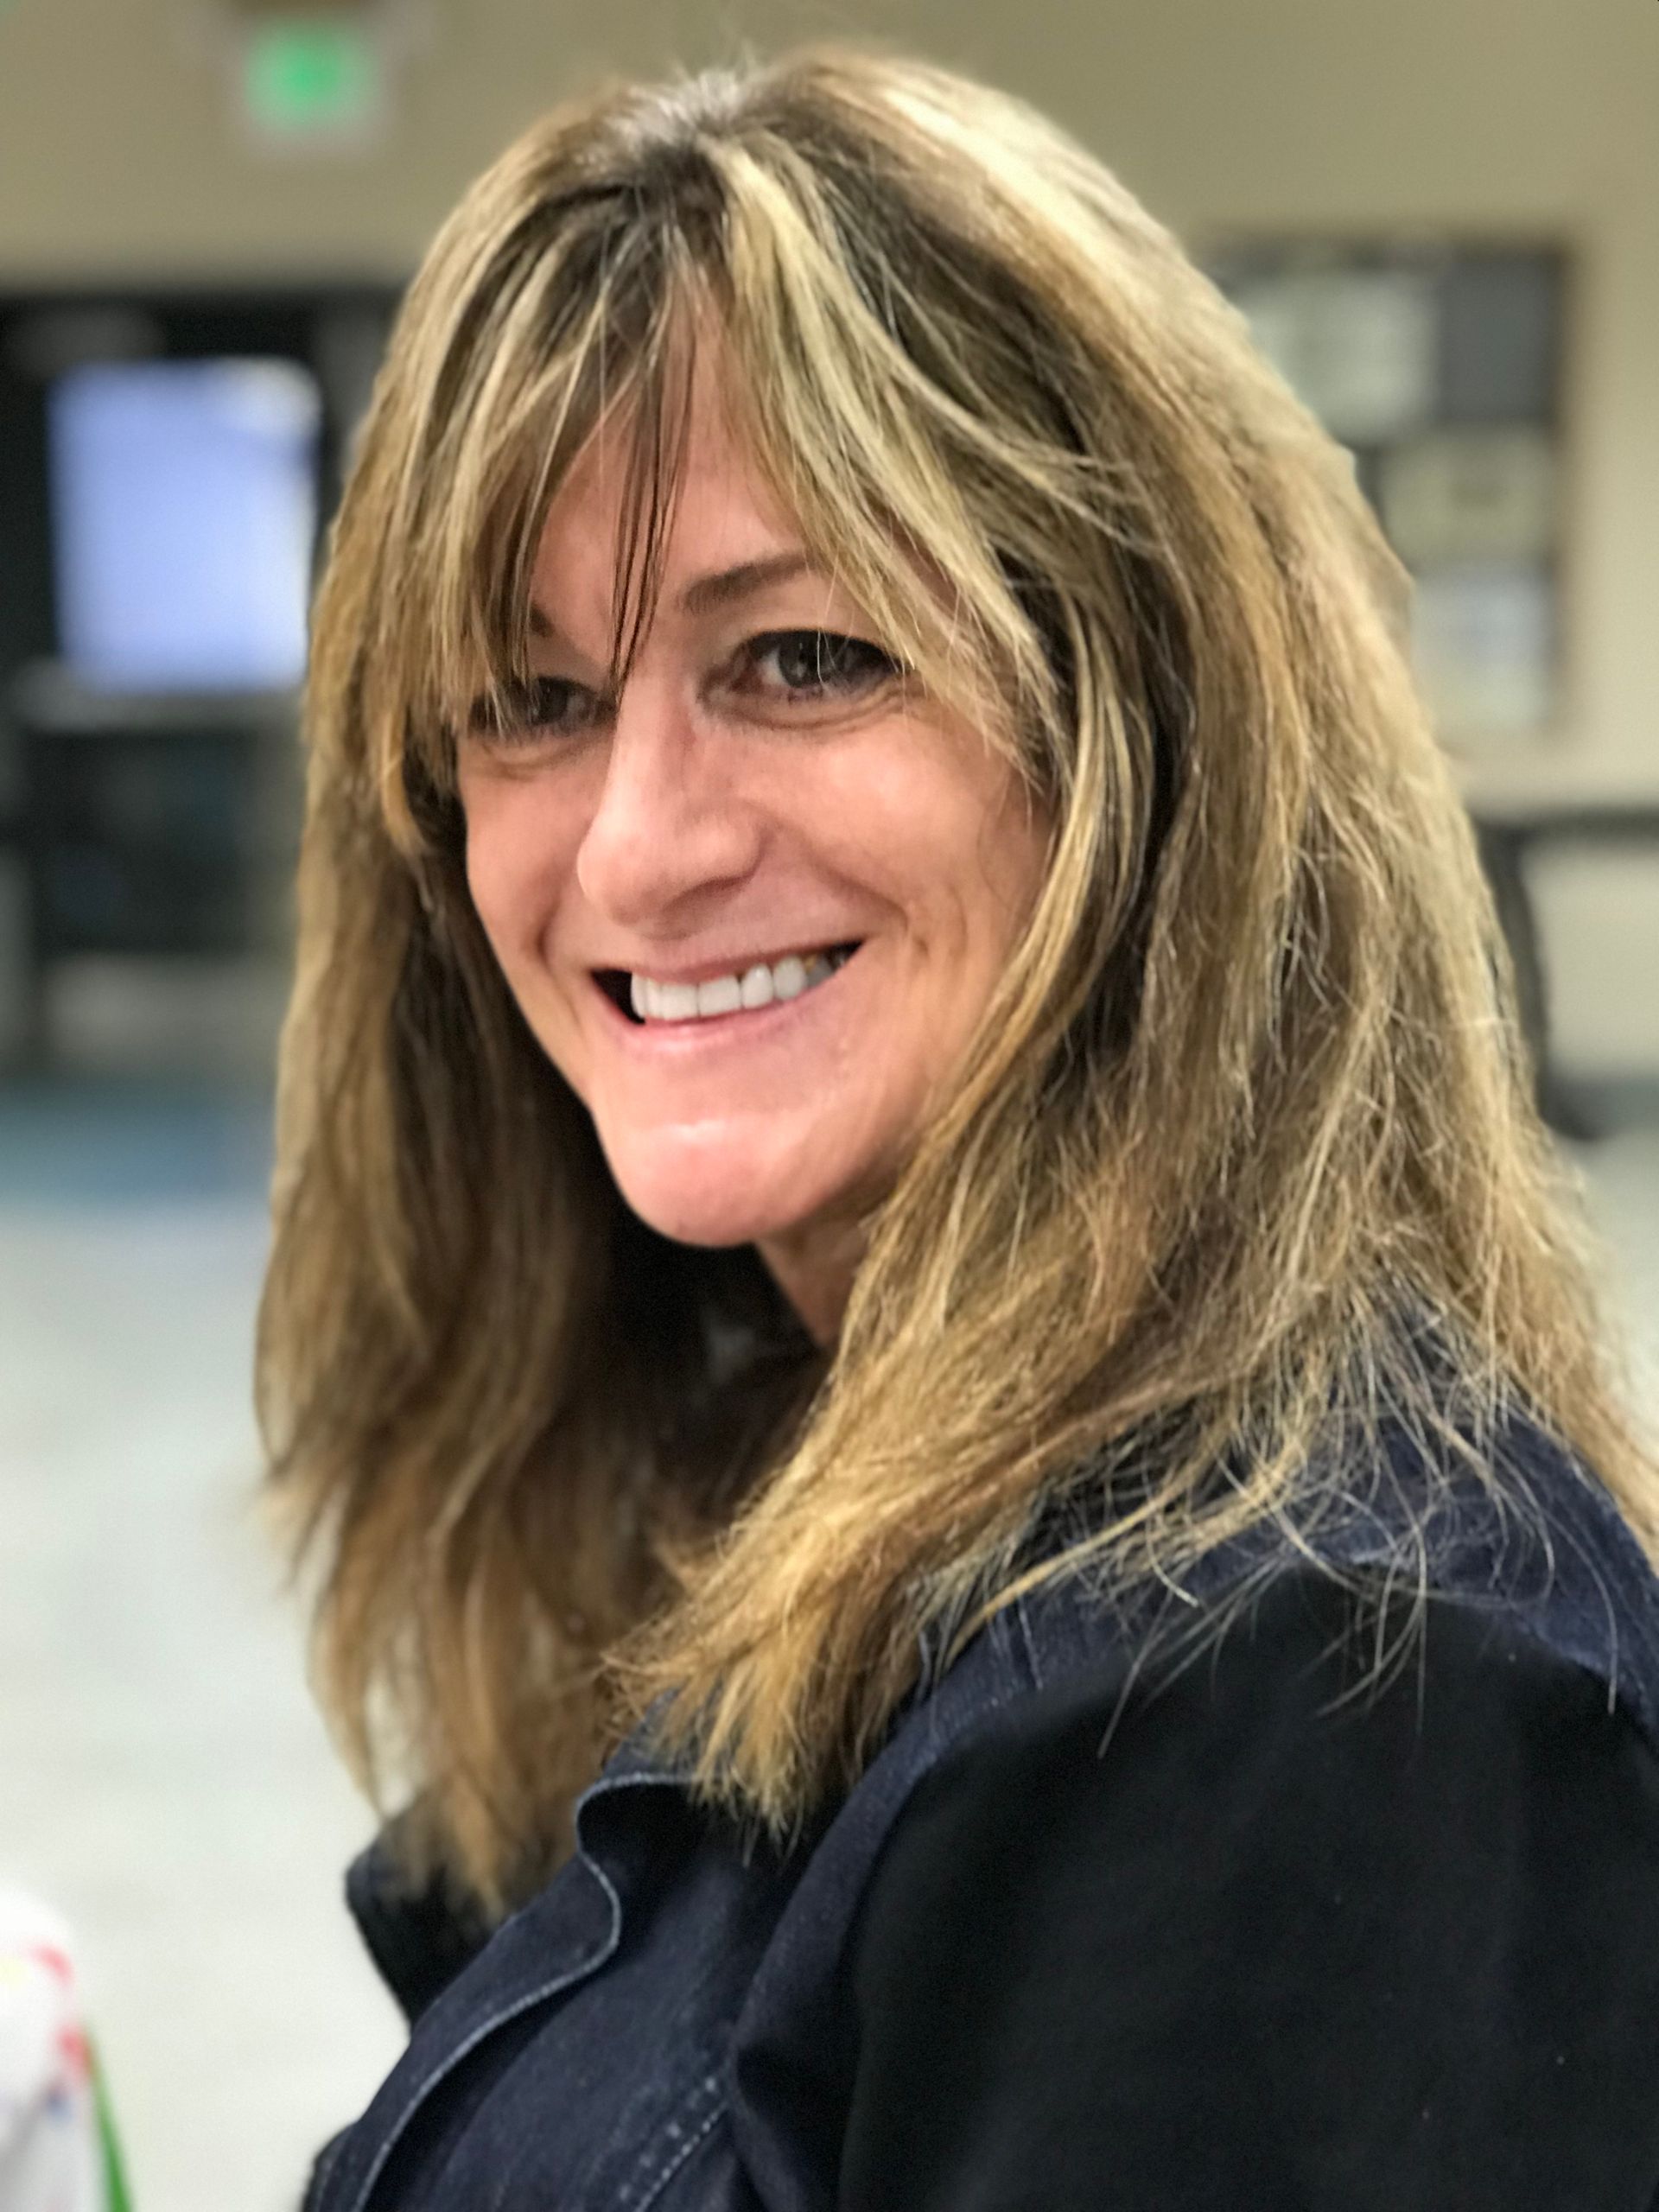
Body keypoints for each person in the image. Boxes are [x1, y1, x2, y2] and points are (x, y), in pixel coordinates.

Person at [258, 47, 1659, 2212]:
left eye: (804, 655)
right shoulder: (805, 1453)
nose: (632, 850)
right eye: (532, 700)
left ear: (1150, 728)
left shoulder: (1294, 1688)